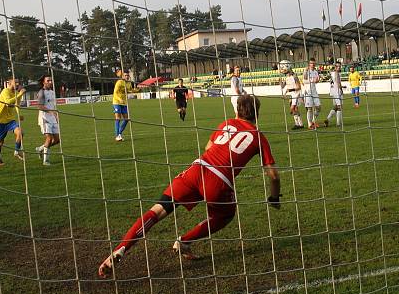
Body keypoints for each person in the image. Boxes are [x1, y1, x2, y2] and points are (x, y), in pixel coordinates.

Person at [98, 94, 281, 278]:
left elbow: (209, 148)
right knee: (225, 215)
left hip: (196, 169)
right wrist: (274, 198)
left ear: (237, 111)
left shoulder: (227, 123)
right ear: (256, 114)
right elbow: (273, 175)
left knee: (158, 210)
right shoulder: (258, 136)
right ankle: (184, 240)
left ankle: (120, 248)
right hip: (218, 181)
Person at [0, 77, 25, 166]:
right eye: (15, 82)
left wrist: (19, 114)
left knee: (20, 133)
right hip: (0, 121)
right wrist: (20, 94)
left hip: (10, 120)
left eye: (18, 82)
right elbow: (7, 102)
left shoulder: (17, 93)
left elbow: (16, 105)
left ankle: (16, 152)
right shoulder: (5, 91)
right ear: (10, 83)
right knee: (0, 141)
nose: (17, 84)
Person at [34, 75, 60, 166]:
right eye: (48, 80)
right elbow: (39, 106)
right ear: (43, 82)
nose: (50, 82)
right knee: (49, 138)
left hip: (53, 118)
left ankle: (40, 149)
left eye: (51, 80)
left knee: (57, 140)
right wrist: (51, 111)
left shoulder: (52, 92)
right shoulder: (41, 92)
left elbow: (52, 105)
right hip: (44, 118)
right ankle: (46, 161)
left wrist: (55, 114)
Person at [280, 65, 304, 129]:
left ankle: (298, 124)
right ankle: (299, 124)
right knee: (295, 109)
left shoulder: (294, 77)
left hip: (297, 94)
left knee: (293, 109)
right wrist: (280, 82)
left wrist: (291, 90)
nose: (283, 71)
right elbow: (282, 87)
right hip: (292, 95)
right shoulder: (286, 78)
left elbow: (299, 87)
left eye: (284, 70)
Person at [323, 62, 344, 128]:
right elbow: (338, 82)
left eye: (340, 66)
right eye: (338, 66)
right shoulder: (336, 73)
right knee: (339, 106)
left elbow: (327, 78)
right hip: (337, 91)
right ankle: (338, 123)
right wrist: (341, 89)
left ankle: (327, 119)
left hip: (332, 91)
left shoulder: (331, 73)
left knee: (335, 107)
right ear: (335, 67)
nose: (339, 67)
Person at [302, 58, 321, 129]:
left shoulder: (316, 72)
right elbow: (303, 81)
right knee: (309, 109)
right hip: (308, 92)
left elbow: (317, 80)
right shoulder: (306, 71)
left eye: (313, 63)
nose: (312, 65)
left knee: (318, 107)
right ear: (309, 64)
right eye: (311, 63)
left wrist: (317, 80)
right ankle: (309, 124)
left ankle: (313, 121)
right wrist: (313, 80)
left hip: (314, 92)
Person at [113, 69, 131, 142]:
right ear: (123, 76)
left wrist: (135, 90)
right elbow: (115, 92)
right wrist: (119, 99)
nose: (126, 76)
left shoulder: (129, 83)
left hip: (124, 103)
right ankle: (117, 135)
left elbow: (129, 90)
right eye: (125, 75)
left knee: (126, 119)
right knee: (118, 118)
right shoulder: (119, 82)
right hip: (117, 102)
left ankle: (119, 133)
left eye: (127, 75)